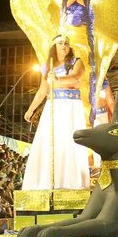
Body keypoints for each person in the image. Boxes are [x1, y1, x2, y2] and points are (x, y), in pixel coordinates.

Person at [21, 36, 91, 190]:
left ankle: (71, 182)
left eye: (66, 43)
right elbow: (43, 90)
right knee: (51, 142)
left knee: (69, 142)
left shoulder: (76, 61)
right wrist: (31, 109)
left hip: (71, 106)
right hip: (54, 106)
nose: (64, 45)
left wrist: (57, 80)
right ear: (54, 46)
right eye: (60, 43)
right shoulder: (48, 67)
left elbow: (75, 78)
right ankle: (49, 182)